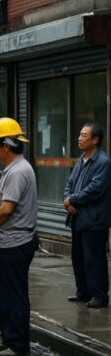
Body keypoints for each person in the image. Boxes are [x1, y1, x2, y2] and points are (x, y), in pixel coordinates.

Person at [0, 118, 37, 356]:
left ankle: (18, 346)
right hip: (8, 242)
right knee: (5, 295)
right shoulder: (13, 169)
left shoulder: (18, 171)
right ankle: (9, 338)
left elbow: (7, 209)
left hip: (16, 243)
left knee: (14, 295)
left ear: (6, 145)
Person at [63, 122, 111, 308]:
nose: (79, 138)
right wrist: (68, 199)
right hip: (77, 217)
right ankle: (83, 292)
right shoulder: (82, 159)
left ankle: (99, 295)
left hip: (94, 219)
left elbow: (95, 189)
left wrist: (72, 199)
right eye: (80, 135)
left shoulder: (103, 162)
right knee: (78, 257)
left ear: (95, 140)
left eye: (84, 135)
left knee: (94, 259)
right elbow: (70, 183)